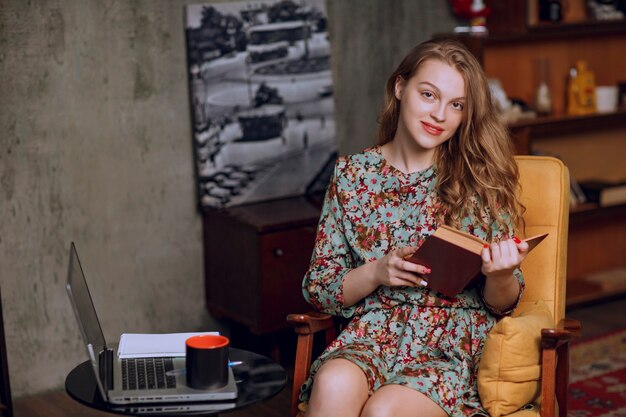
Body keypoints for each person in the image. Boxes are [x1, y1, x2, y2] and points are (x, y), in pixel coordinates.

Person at [300, 38, 528, 417]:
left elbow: (502, 303)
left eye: (456, 105)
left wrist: (501, 273)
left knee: (383, 411)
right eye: (428, 94)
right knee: (334, 383)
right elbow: (320, 288)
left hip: (447, 345)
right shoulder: (351, 175)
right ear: (400, 87)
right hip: (372, 333)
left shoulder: (480, 179)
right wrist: (376, 271)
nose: (439, 114)